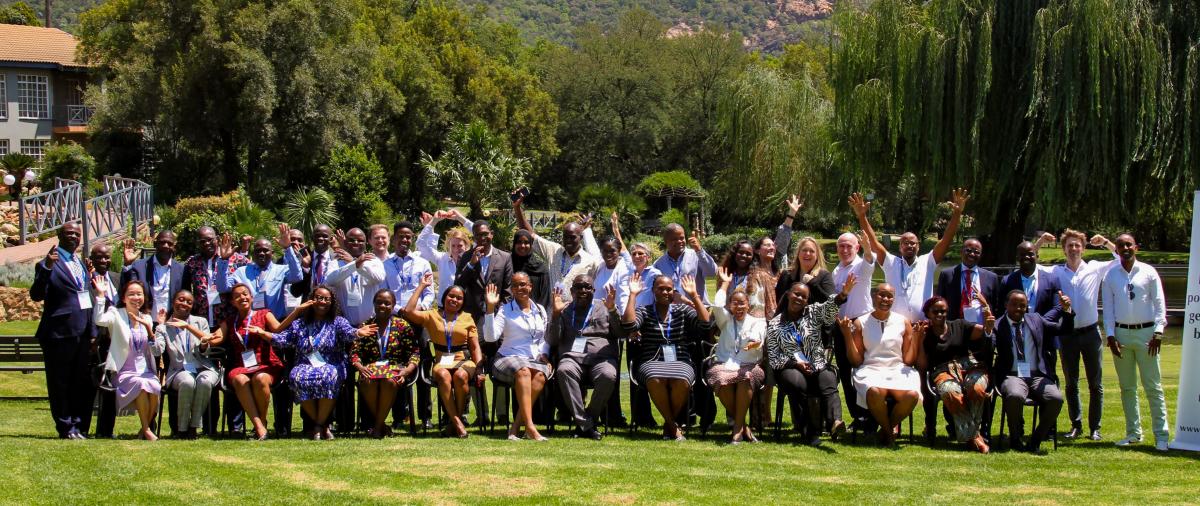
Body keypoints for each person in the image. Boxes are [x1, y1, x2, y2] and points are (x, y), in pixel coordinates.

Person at [1036, 230, 1117, 440]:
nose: (1074, 249)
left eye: (1077, 245)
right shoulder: (1056, 272)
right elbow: (1030, 262)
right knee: (1071, 383)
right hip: (1067, 334)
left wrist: (1106, 242)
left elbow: (1120, 257)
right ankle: (1076, 424)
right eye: (1070, 246)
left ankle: (1095, 428)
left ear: (1083, 248)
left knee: (1095, 383)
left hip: (1091, 333)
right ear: (1064, 249)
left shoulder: (1095, 269)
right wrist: (1040, 242)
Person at [268, 285, 372, 440]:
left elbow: (349, 333)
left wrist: (358, 332)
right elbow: (283, 340)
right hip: (305, 364)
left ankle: (317, 425)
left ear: (332, 302)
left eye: (326, 299)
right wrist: (264, 334)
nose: (322, 302)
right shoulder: (300, 324)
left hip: (332, 363)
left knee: (329, 375)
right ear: (311, 300)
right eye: (318, 298)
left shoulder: (338, 322)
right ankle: (321, 425)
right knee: (297, 376)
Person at [621, 273, 713, 441]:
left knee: (683, 379)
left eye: (669, 289)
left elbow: (706, 324)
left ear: (674, 291)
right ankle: (672, 426)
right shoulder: (645, 311)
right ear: (653, 291)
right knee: (655, 378)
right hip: (651, 361)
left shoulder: (682, 310)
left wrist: (694, 296)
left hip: (680, 360)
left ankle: (668, 425)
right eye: (661, 289)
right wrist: (633, 295)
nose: (665, 292)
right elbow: (628, 324)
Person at [851, 189, 967, 321]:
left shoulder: (928, 262)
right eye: (905, 243)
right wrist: (862, 216)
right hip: (895, 328)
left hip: (922, 326)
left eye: (913, 243)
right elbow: (873, 242)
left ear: (918, 246)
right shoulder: (891, 262)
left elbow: (946, 239)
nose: (909, 245)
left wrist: (957, 213)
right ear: (900, 247)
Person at [766, 276, 855, 446]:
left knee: (828, 378)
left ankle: (835, 422)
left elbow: (828, 310)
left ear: (807, 301)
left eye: (803, 297)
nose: (799, 298)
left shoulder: (812, 313)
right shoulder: (776, 324)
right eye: (796, 294)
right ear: (788, 295)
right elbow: (773, 356)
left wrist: (842, 294)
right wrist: (795, 364)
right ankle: (809, 430)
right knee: (798, 384)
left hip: (816, 364)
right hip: (789, 368)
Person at [1101, 233, 1170, 452]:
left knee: (1153, 386)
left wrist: (1158, 332)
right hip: (1121, 335)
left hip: (1147, 335)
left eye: (1128, 245)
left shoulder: (1148, 272)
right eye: (1121, 245)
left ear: (1136, 248)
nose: (1125, 248)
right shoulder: (1111, 275)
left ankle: (1161, 436)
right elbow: (1108, 310)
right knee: (1127, 388)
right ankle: (1133, 434)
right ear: (1117, 249)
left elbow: (1159, 304)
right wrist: (1110, 336)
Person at [30, 223, 97, 439]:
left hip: (83, 332)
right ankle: (65, 426)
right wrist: (47, 268)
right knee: (60, 383)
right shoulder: (48, 263)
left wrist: (93, 330)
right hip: (59, 333)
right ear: (59, 235)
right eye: (69, 233)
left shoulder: (79, 263)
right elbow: (36, 294)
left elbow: (87, 297)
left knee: (79, 382)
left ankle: (78, 425)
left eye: (77, 234)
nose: (74, 237)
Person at [839, 283, 921, 447]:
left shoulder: (903, 322)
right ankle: (889, 434)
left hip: (898, 369)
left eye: (890, 296)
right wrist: (847, 335)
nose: (886, 299)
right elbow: (856, 361)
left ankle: (885, 431)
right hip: (871, 369)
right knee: (874, 392)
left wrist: (917, 339)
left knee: (912, 395)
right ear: (873, 296)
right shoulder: (860, 322)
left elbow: (909, 360)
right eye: (882, 295)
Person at [403, 272, 484, 438]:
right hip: (442, 362)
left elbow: (475, 347)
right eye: (451, 296)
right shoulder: (432, 315)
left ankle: (454, 422)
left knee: (461, 376)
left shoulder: (467, 318)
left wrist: (480, 370)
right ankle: (457, 423)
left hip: (463, 361)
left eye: (459, 298)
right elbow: (408, 311)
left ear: (463, 302)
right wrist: (422, 286)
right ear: (444, 297)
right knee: (442, 374)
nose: (454, 300)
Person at [993, 290, 1073, 452]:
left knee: (1055, 399)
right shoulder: (997, 325)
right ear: (1006, 305)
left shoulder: (1035, 319)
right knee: (1015, 395)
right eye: (1014, 305)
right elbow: (987, 348)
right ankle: (1015, 438)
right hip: (1012, 375)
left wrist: (1066, 311)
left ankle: (1035, 440)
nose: (1018, 309)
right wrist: (987, 333)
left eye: (1022, 305)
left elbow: (1062, 329)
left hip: (1037, 375)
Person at [205, 283, 287, 440]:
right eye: (237, 296)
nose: (242, 297)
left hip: (266, 363)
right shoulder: (230, 321)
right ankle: (259, 427)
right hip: (241, 366)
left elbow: (278, 330)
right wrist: (190, 328)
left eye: (245, 294)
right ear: (232, 302)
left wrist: (297, 311)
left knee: (260, 378)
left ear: (251, 297)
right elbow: (214, 339)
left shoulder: (264, 314)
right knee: (239, 379)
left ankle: (261, 423)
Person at [915, 295, 995, 453]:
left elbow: (986, 329)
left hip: (969, 366)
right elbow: (922, 365)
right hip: (942, 371)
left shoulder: (959, 325)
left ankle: (970, 436)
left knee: (977, 388)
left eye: (943, 311)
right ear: (928, 313)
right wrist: (919, 340)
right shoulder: (925, 333)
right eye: (935, 311)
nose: (940, 314)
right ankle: (975, 437)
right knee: (950, 393)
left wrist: (986, 307)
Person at [546, 276, 621, 440]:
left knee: (608, 375)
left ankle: (585, 422)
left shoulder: (605, 306)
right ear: (572, 291)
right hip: (572, 358)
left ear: (593, 290)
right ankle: (587, 425)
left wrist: (613, 310)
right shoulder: (564, 310)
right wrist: (556, 315)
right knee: (564, 370)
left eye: (587, 287)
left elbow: (620, 333)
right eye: (578, 287)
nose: (583, 291)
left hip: (601, 358)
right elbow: (552, 340)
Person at [483, 273, 553, 441]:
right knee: (524, 371)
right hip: (507, 357)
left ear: (530, 286)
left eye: (523, 284)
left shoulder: (540, 310)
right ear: (512, 290)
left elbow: (544, 338)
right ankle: (530, 426)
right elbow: (490, 338)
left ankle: (515, 428)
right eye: (515, 286)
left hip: (533, 359)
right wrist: (490, 309)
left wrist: (544, 354)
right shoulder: (505, 310)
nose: (520, 288)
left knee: (540, 376)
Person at [93, 280, 162, 440]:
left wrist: (149, 328)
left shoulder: (146, 318)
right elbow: (99, 320)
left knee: (154, 385)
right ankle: (146, 429)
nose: (136, 297)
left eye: (139, 294)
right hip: (124, 371)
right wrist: (101, 295)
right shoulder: (116, 314)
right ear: (124, 298)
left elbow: (153, 348)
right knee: (141, 384)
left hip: (145, 370)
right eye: (131, 294)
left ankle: (144, 429)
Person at [707, 267, 768, 444]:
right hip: (724, 364)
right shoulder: (725, 320)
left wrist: (754, 344)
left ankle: (736, 429)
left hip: (750, 365)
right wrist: (725, 284)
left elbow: (758, 339)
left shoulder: (758, 321)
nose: (739, 306)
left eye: (742, 303)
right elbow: (717, 305)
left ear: (748, 305)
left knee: (746, 377)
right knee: (719, 377)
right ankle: (743, 426)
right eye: (735, 303)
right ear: (730, 305)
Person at [352, 289, 421, 438]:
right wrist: (360, 367)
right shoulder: (366, 325)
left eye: (387, 303)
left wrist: (407, 371)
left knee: (389, 382)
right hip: (371, 369)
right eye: (379, 302)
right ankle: (382, 426)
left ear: (393, 305)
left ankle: (377, 427)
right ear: (374, 304)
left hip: (396, 369)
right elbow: (354, 353)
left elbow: (414, 353)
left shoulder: (402, 325)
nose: (382, 306)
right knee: (366, 381)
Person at [152, 290, 219, 439]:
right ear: (174, 301)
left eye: (189, 302)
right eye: (181, 300)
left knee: (205, 381)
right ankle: (182, 429)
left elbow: (207, 351)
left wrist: (203, 344)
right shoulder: (163, 327)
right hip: (179, 370)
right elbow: (157, 351)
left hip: (203, 366)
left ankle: (193, 427)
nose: (185, 304)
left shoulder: (201, 322)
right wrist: (156, 329)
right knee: (188, 381)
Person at [830, 226, 876, 431]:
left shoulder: (861, 266)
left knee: (864, 373)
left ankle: (871, 418)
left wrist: (867, 247)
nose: (844, 249)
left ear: (856, 247)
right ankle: (857, 417)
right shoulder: (837, 270)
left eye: (849, 246)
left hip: (861, 326)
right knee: (846, 374)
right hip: (841, 327)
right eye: (841, 246)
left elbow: (869, 258)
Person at [512, 191, 599, 297]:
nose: (568, 240)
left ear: (580, 238)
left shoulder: (590, 262)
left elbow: (595, 290)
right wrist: (517, 207)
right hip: (551, 312)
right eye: (565, 237)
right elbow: (529, 233)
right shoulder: (553, 250)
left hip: (575, 312)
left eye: (572, 237)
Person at [214, 225, 304, 320]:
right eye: (258, 251)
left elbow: (297, 276)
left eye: (265, 250)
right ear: (253, 253)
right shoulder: (241, 272)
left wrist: (288, 248)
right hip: (250, 323)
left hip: (275, 323)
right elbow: (222, 288)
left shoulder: (281, 270)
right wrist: (223, 260)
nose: (261, 253)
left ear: (272, 253)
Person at [181, 225, 250, 328]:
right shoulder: (192, 262)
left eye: (209, 239)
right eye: (202, 241)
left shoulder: (236, 259)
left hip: (229, 322)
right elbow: (186, 289)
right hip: (201, 322)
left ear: (217, 239)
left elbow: (252, 275)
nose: (206, 243)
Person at [87, 242, 120, 438]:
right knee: (90, 386)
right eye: (98, 257)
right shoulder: (86, 280)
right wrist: (92, 335)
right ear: (91, 259)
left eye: (106, 257)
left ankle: (105, 430)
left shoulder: (117, 278)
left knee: (110, 386)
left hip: (113, 341)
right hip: (94, 339)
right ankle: (83, 428)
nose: (103, 260)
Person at [326, 227, 386, 326]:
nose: (356, 242)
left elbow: (379, 278)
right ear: (345, 243)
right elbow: (330, 280)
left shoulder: (374, 260)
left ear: (366, 243)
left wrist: (357, 263)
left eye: (360, 240)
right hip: (345, 326)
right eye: (352, 240)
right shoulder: (335, 263)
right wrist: (354, 264)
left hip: (371, 325)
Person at [120, 230, 185, 320]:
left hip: (171, 323)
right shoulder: (139, 266)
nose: (166, 246)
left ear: (174, 247)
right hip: (144, 321)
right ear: (155, 244)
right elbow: (126, 289)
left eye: (169, 243)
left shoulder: (181, 269)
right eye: (162, 242)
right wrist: (127, 264)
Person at [652, 224, 717, 304]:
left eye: (682, 238)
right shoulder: (659, 264)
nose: (679, 241)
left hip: (697, 309)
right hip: (673, 312)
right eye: (674, 239)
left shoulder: (696, 255)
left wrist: (699, 251)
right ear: (666, 241)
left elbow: (712, 273)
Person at [416, 210, 474, 298]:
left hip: (466, 307)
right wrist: (433, 221)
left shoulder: (473, 258)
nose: (456, 249)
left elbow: (480, 234)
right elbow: (421, 243)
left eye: (460, 246)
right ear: (449, 246)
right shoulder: (442, 258)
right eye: (453, 246)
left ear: (466, 245)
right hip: (443, 307)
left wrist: (460, 218)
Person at [1001, 241, 1063, 320]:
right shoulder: (1007, 281)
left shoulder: (1052, 280)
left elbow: (1058, 307)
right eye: (1022, 254)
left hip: (1044, 328)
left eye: (1030, 254)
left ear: (1037, 256)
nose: (1026, 257)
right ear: (1017, 258)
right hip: (1017, 329)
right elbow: (1002, 308)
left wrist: (1039, 322)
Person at [757, 194, 804, 278]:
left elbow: (784, 231)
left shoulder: (779, 256)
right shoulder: (752, 268)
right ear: (757, 250)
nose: (772, 247)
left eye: (773, 245)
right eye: (767, 245)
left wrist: (792, 213)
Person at [290, 224, 336, 300]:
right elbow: (295, 292)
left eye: (324, 236)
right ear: (312, 238)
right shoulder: (303, 258)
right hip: (308, 307)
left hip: (330, 307)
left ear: (330, 239)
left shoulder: (337, 259)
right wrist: (305, 268)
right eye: (317, 236)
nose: (321, 238)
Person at [511, 229, 552, 310]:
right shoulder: (507, 264)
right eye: (519, 242)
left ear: (531, 244)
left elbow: (545, 296)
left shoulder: (540, 267)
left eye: (526, 243)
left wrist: (538, 314)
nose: (522, 246)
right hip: (510, 314)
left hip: (534, 314)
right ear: (514, 244)